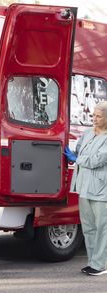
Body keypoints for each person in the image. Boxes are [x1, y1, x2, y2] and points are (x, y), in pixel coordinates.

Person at [64, 101, 107, 276]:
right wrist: (75, 155)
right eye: (93, 116)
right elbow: (80, 149)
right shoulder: (88, 133)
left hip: (101, 190)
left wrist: (77, 158)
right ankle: (92, 262)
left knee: (102, 228)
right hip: (84, 186)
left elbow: (97, 160)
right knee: (88, 227)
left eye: (98, 116)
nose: (94, 119)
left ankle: (100, 264)